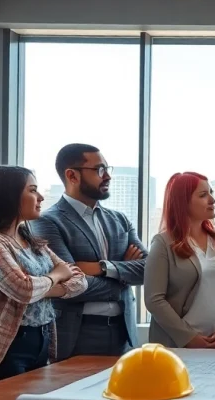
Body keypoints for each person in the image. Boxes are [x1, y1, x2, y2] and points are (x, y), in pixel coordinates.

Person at [0, 166, 88, 387]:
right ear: (8, 196)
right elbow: (23, 290)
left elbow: (80, 282)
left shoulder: (28, 238)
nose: (40, 197)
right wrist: (57, 275)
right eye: (32, 190)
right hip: (3, 347)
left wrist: (39, 287)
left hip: (42, 339)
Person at [31, 144, 147, 359]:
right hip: (78, 334)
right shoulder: (48, 222)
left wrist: (102, 268)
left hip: (123, 334)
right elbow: (70, 285)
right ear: (72, 175)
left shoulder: (119, 220)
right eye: (99, 170)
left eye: (107, 169)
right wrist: (122, 278)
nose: (108, 176)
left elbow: (147, 270)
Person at [145, 173, 215, 350]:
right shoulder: (163, 243)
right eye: (203, 195)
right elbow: (154, 300)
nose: (212, 200)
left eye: (211, 192)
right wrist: (188, 337)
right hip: (179, 345)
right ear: (182, 202)